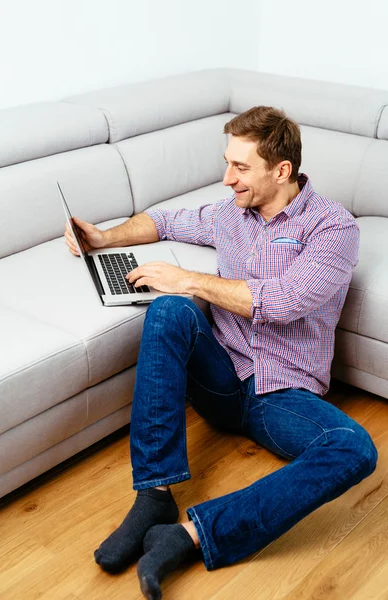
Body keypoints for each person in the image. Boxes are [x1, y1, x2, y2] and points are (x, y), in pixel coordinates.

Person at [65, 106, 377, 600]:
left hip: (281, 394)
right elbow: (168, 220)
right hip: (221, 375)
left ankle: (190, 535)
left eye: (240, 167)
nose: (226, 177)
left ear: (281, 170)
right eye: (227, 163)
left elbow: (284, 301)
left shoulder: (332, 229)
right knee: (169, 312)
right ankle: (154, 496)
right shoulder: (233, 214)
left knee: (354, 449)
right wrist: (105, 237)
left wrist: (188, 279)